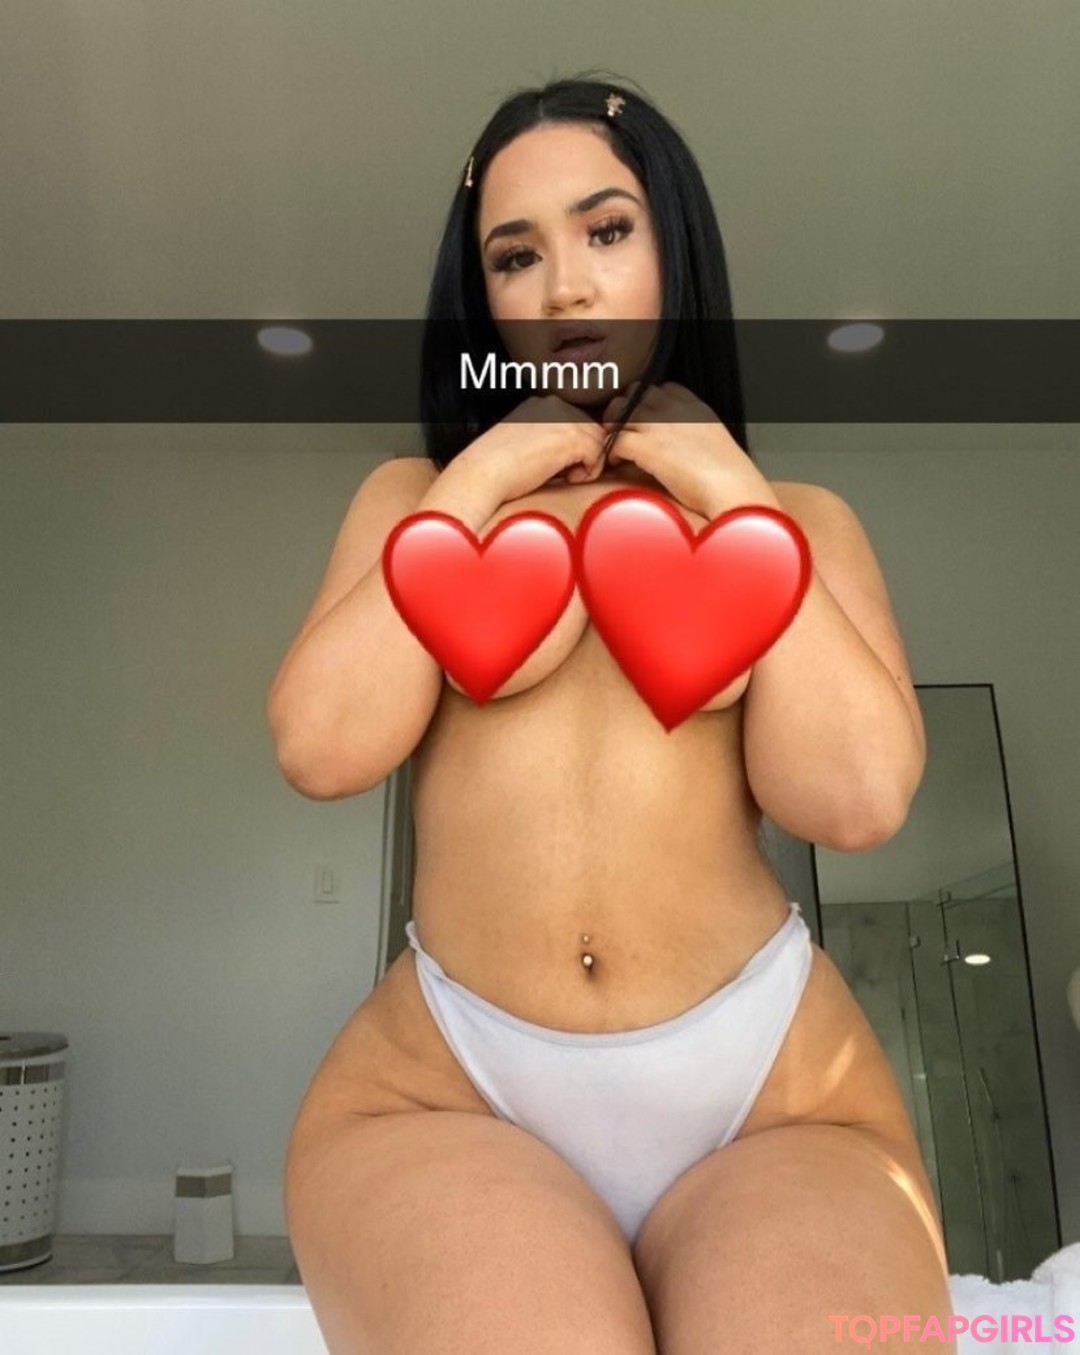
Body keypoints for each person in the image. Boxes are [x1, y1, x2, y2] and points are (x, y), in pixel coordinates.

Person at [268, 74, 956, 1355]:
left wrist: (730, 484)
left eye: (607, 230)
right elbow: (321, 745)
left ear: (672, 248)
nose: (566, 288)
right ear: (481, 297)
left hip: (775, 1094)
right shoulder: (411, 497)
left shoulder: (799, 517)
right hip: (444, 1086)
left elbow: (858, 797)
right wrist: (486, 466)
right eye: (515, 255)